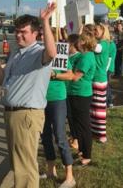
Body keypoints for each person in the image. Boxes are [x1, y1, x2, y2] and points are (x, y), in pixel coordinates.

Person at [0, 3, 57, 188]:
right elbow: (3, 81)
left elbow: (52, 53)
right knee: (17, 164)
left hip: (26, 115)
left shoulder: (38, 53)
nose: (18, 35)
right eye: (16, 31)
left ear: (36, 34)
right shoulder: (16, 54)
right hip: (12, 113)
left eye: (23, 32)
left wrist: (45, 21)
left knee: (25, 167)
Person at [40, 32, 76, 188]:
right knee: (45, 135)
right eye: (40, 36)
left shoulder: (60, 53)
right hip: (41, 100)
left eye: (44, 36)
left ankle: (70, 176)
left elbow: (70, 75)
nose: (42, 38)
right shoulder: (37, 53)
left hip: (57, 99)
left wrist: (54, 75)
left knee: (60, 136)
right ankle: (50, 170)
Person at [68, 32, 96, 166]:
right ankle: (82, 151)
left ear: (83, 42)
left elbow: (76, 76)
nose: (77, 42)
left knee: (84, 126)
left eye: (79, 40)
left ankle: (87, 155)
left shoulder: (86, 57)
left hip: (81, 94)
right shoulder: (85, 56)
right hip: (76, 93)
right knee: (79, 125)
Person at [90, 23, 110, 143]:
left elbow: (95, 48)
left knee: (99, 108)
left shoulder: (103, 44)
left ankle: (102, 135)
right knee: (94, 107)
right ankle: (96, 131)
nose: (94, 32)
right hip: (96, 78)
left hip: (99, 78)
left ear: (103, 31)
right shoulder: (102, 43)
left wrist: (86, 36)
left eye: (96, 30)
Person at [66, 34, 81, 150]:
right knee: (69, 116)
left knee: (74, 116)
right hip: (67, 90)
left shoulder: (78, 57)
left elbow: (73, 75)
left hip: (74, 91)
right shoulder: (68, 56)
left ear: (73, 45)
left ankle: (76, 139)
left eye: (68, 43)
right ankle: (73, 136)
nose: (66, 45)